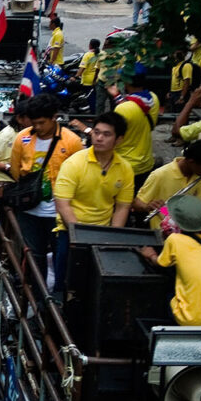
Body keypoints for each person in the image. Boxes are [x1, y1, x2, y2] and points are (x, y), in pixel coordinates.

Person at [52, 113, 134, 293]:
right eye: (96, 132)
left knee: (96, 287)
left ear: (118, 140)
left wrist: (113, 237)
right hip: (70, 232)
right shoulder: (74, 164)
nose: (99, 138)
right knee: (65, 284)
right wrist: (79, 235)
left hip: (103, 232)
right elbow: (63, 204)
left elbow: (122, 206)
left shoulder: (125, 169)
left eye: (106, 134)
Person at [9, 93, 83, 271]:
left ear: (54, 117)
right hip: (29, 210)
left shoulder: (72, 142)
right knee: (34, 255)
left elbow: (79, 177)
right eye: (34, 123)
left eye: (42, 122)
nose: (38, 127)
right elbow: (15, 170)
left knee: (61, 256)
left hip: (58, 213)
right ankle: (35, 295)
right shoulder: (22, 138)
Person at [140, 195, 201, 328]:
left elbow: (160, 263)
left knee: (168, 289)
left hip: (189, 320)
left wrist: (150, 255)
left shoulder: (175, 240)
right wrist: (163, 210)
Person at [134, 140, 201, 228]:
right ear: (191, 161)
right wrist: (148, 207)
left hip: (191, 231)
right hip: (163, 232)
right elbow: (137, 204)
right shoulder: (160, 175)